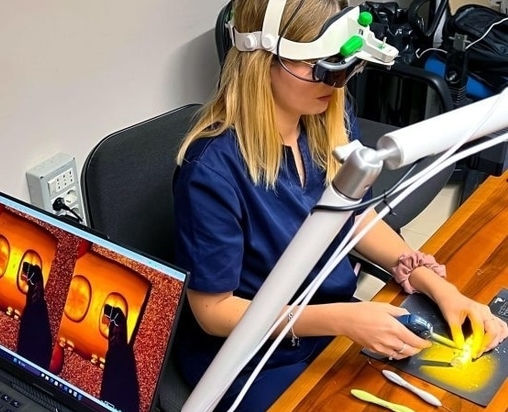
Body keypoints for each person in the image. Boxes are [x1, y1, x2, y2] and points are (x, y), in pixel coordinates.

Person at [172, 0, 508, 410]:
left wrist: (441, 289)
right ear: (263, 61)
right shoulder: (210, 170)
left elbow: (354, 215)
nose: (336, 85)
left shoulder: (324, 115)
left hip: (328, 319)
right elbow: (214, 312)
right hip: (248, 357)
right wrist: (342, 319)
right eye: (323, 69)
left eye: (347, 68)